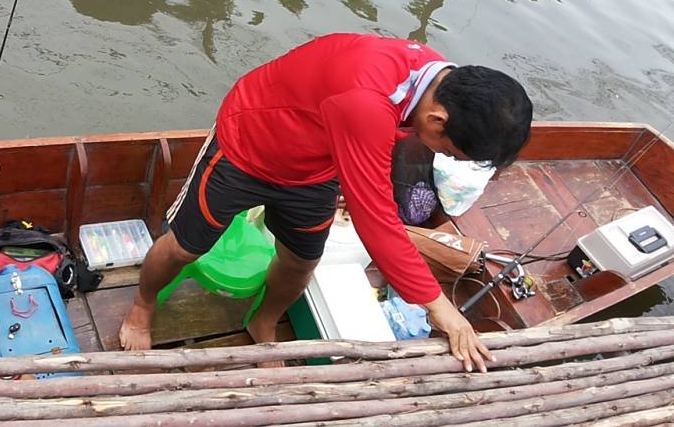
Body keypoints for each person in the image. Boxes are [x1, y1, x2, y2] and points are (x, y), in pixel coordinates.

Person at [119, 33, 533, 373]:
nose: (444, 159)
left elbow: (382, 138)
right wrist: (440, 308)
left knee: (301, 260)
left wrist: (359, 176)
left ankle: (263, 322)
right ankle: (142, 305)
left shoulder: (436, 79)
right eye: (451, 152)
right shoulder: (366, 101)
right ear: (438, 120)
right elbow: (377, 223)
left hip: (313, 167)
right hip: (248, 149)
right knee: (187, 246)